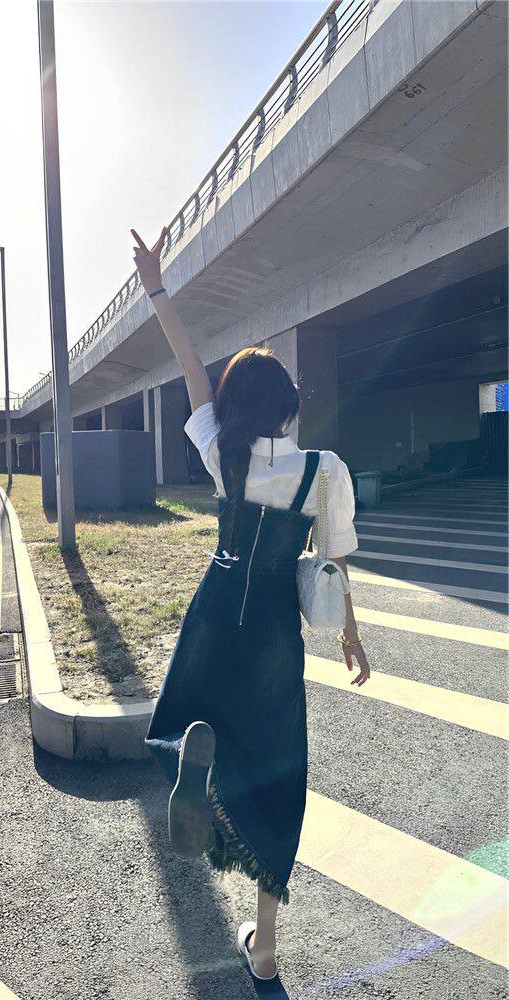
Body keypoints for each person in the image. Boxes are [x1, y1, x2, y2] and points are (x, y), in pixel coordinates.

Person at [131, 225, 371, 982]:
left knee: (184, 720)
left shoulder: (223, 456)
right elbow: (332, 561)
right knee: (279, 769)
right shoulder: (322, 471)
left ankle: (193, 765)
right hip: (271, 632)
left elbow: (191, 371)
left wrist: (157, 286)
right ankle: (264, 948)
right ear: (289, 408)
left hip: (213, 615)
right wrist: (351, 634)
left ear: (235, 407)